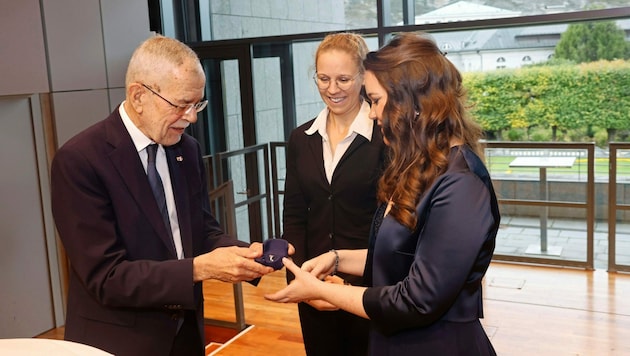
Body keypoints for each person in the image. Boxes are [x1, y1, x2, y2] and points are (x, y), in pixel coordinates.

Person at [267, 32, 500, 355]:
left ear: (410, 103)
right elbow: (400, 257)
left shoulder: (461, 184)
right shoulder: (424, 169)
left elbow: (417, 300)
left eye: (375, 100)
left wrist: (327, 292)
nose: (373, 113)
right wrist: (337, 259)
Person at [50, 35, 279, 356]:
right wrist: (200, 269)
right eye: (181, 104)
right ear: (139, 95)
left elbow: (200, 229)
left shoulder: (187, 149)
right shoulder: (80, 160)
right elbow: (107, 277)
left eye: (198, 103)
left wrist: (250, 256)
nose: (192, 117)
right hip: (120, 341)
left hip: (185, 333)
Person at [281, 32, 386, 356]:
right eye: (323, 78)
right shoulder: (301, 138)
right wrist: (300, 281)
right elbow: (295, 216)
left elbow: (393, 224)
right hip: (315, 285)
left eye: (343, 79)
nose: (332, 88)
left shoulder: (386, 135)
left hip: (369, 288)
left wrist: (356, 288)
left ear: (363, 77)